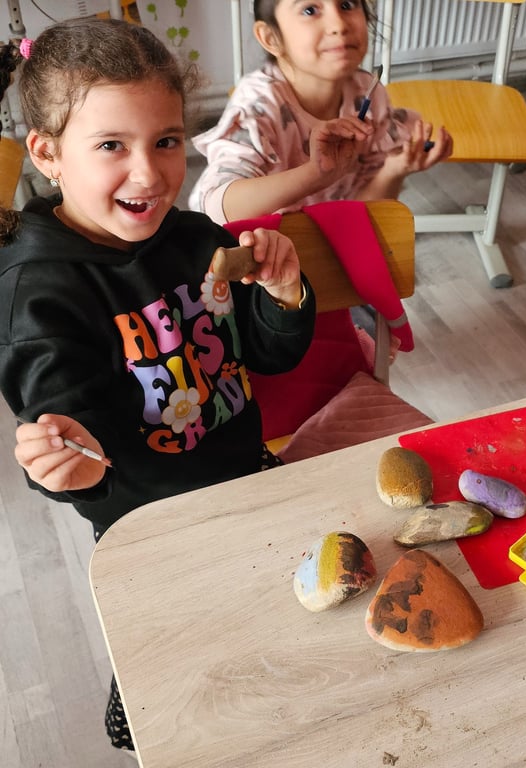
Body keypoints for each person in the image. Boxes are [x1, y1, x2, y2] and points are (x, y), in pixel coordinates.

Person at [0, 18, 315, 756]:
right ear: (46, 153)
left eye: (166, 140)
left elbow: (269, 359)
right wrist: (70, 469)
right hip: (151, 525)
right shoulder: (37, 294)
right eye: (112, 145)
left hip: (250, 475)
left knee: (293, 643)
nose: (149, 173)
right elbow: (79, 455)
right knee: (184, 690)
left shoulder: (199, 239)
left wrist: (284, 294)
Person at [188, 0, 453, 224]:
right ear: (270, 38)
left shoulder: (368, 94)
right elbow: (216, 212)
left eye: (347, 4)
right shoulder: (258, 109)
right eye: (310, 10)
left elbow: (360, 215)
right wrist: (315, 174)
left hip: (328, 238)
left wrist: (394, 169)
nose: (339, 24)